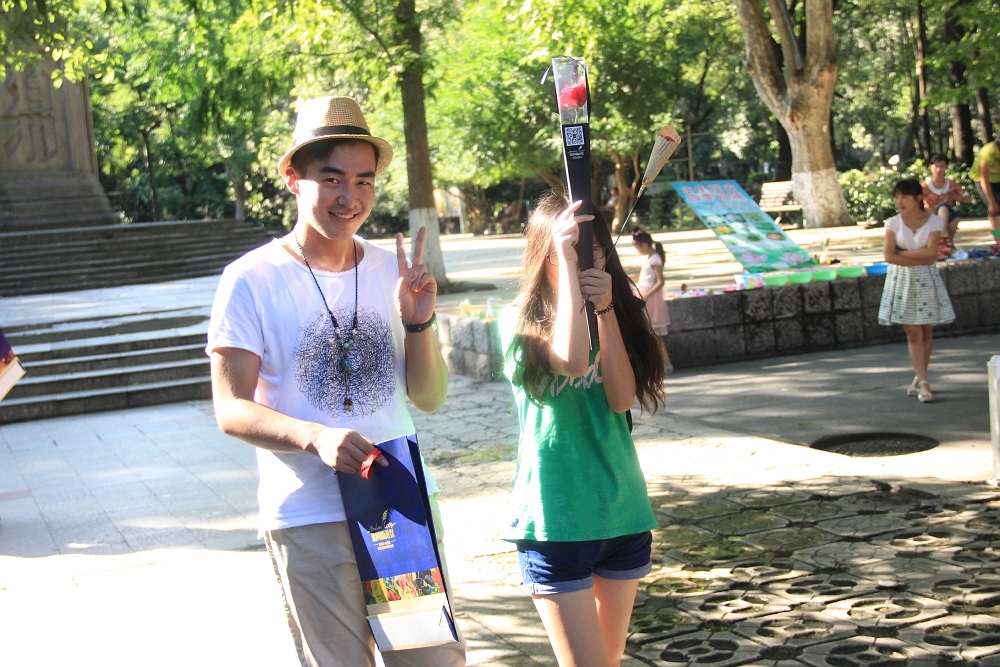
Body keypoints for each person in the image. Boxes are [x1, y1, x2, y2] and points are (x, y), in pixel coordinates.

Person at [206, 96, 465, 667]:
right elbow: (231, 408)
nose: (350, 196)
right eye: (332, 179)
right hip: (309, 516)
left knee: (430, 662)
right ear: (293, 180)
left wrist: (417, 321)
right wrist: (315, 437)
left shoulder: (391, 270)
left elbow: (429, 398)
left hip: (399, 508)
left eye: (363, 180)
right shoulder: (250, 279)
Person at [497, 193, 666, 667]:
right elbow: (572, 360)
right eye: (569, 246)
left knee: (609, 658)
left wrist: (607, 310)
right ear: (544, 251)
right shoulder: (518, 321)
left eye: (592, 247)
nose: (583, 257)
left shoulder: (619, 311)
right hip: (554, 520)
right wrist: (572, 276)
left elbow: (620, 399)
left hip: (621, 511)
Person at [878, 179, 955, 404]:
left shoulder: (934, 222)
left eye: (905, 197)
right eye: (897, 197)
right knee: (913, 332)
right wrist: (915, 256)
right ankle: (924, 382)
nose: (899, 201)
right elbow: (888, 256)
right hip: (901, 279)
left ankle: (919, 377)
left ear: (918, 198)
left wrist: (901, 253)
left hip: (926, 278)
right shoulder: (893, 223)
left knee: (926, 330)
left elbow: (931, 255)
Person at [631, 227, 674, 373]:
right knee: (649, 332)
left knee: (654, 333)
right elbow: (643, 277)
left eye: (637, 247)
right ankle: (658, 364)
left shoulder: (655, 259)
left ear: (644, 245)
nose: (637, 250)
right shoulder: (648, 258)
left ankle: (666, 364)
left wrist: (646, 295)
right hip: (644, 293)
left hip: (650, 297)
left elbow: (660, 281)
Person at [921, 154, 969, 246]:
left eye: (942, 166)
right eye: (936, 166)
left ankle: (945, 242)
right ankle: (944, 241)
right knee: (943, 210)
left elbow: (967, 199)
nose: (939, 169)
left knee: (946, 212)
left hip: (949, 213)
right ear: (931, 167)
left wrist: (956, 198)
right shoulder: (925, 186)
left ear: (946, 167)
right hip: (931, 213)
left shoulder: (951, 183)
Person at [969, 133, 1000, 249]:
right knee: (995, 210)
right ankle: (998, 239)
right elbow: (984, 180)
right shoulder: (987, 152)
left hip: (998, 178)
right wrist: (992, 202)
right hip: (982, 179)